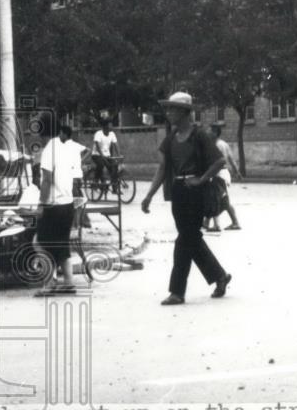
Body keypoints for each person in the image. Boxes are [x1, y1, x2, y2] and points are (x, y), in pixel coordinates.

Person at [140, 92, 232, 305]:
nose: (169, 113)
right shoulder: (171, 138)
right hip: (178, 192)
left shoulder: (199, 135)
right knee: (190, 238)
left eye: (173, 109)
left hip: (195, 192)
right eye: (169, 109)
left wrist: (201, 180)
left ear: (185, 112)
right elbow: (163, 168)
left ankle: (177, 291)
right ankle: (220, 276)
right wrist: (149, 195)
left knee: (184, 240)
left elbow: (219, 162)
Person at [34, 114, 77, 295]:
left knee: (40, 243)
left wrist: (41, 204)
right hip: (68, 204)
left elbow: (46, 180)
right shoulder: (67, 148)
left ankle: (49, 283)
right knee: (62, 244)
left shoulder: (48, 151)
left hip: (53, 205)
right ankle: (68, 281)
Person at [203, 125, 241, 232]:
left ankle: (217, 225)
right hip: (224, 173)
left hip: (218, 173)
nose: (207, 132)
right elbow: (231, 159)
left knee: (215, 199)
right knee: (219, 199)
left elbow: (214, 162)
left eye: (209, 130)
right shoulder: (224, 144)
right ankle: (207, 222)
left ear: (215, 133)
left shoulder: (215, 145)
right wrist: (236, 172)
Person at [91, 118, 120, 191]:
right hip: (96, 155)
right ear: (105, 126)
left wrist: (119, 155)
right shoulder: (98, 134)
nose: (112, 126)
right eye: (110, 125)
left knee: (114, 166)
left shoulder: (112, 134)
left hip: (107, 155)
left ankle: (114, 187)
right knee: (100, 164)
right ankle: (95, 181)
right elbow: (97, 146)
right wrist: (102, 156)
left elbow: (116, 145)